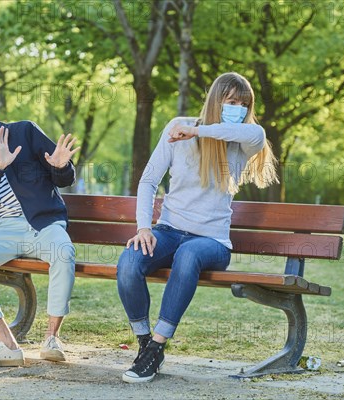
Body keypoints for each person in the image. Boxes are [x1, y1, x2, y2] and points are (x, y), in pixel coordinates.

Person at [116, 72, 278, 383]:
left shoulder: (243, 139)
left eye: (244, 104)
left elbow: (256, 134)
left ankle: (158, 344)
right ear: (216, 100)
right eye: (231, 102)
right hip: (168, 230)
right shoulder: (177, 128)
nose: (238, 109)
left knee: (189, 253)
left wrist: (198, 131)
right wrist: (143, 228)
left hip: (212, 242)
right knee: (129, 262)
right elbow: (149, 180)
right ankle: (145, 343)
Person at [0, 76, 80, 367]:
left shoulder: (24, 132)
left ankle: (52, 339)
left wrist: (60, 166)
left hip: (43, 225)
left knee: (63, 252)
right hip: (3, 231)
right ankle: (8, 345)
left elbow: (64, 174)